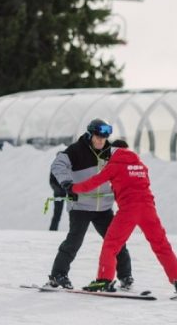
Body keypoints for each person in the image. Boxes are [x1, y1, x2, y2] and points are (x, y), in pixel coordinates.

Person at [73, 138, 177, 294]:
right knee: (161, 244)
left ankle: (104, 280)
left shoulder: (113, 165)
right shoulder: (141, 165)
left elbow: (94, 182)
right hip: (148, 209)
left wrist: (73, 189)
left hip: (128, 210)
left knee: (111, 244)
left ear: (112, 151)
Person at [45, 119, 133, 290]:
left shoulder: (111, 151)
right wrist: (66, 183)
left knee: (115, 241)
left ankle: (125, 276)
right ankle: (58, 275)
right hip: (81, 206)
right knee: (74, 241)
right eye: (98, 137)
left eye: (104, 138)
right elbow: (57, 165)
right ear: (90, 134)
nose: (101, 141)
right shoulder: (76, 150)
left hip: (104, 208)